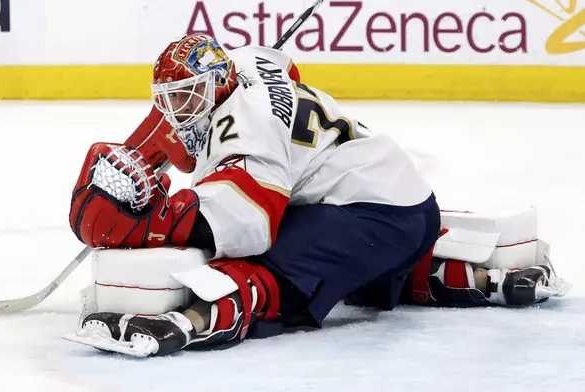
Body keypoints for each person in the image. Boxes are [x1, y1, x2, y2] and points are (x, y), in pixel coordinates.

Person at [67, 34, 563, 357]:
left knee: (263, 265)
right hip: (409, 207)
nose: (177, 109)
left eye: (188, 97)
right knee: (336, 262)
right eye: (170, 98)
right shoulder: (246, 63)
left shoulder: (249, 132)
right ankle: (468, 278)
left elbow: (243, 225)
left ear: (218, 87)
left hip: (375, 217)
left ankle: (189, 324)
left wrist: (153, 222)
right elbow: (281, 62)